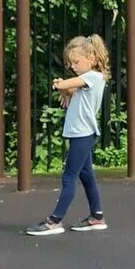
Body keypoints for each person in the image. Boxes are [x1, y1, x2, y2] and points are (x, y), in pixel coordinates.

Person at [25, 35, 110, 235]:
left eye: (76, 61)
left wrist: (59, 84)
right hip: (81, 134)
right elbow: (71, 89)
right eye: (70, 63)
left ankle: (54, 221)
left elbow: (65, 85)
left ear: (92, 59)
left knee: (69, 176)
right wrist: (66, 90)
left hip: (83, 134)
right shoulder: (87, 81)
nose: (73, 66)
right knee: (86, 175)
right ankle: (97, 217)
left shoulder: (93, 76)